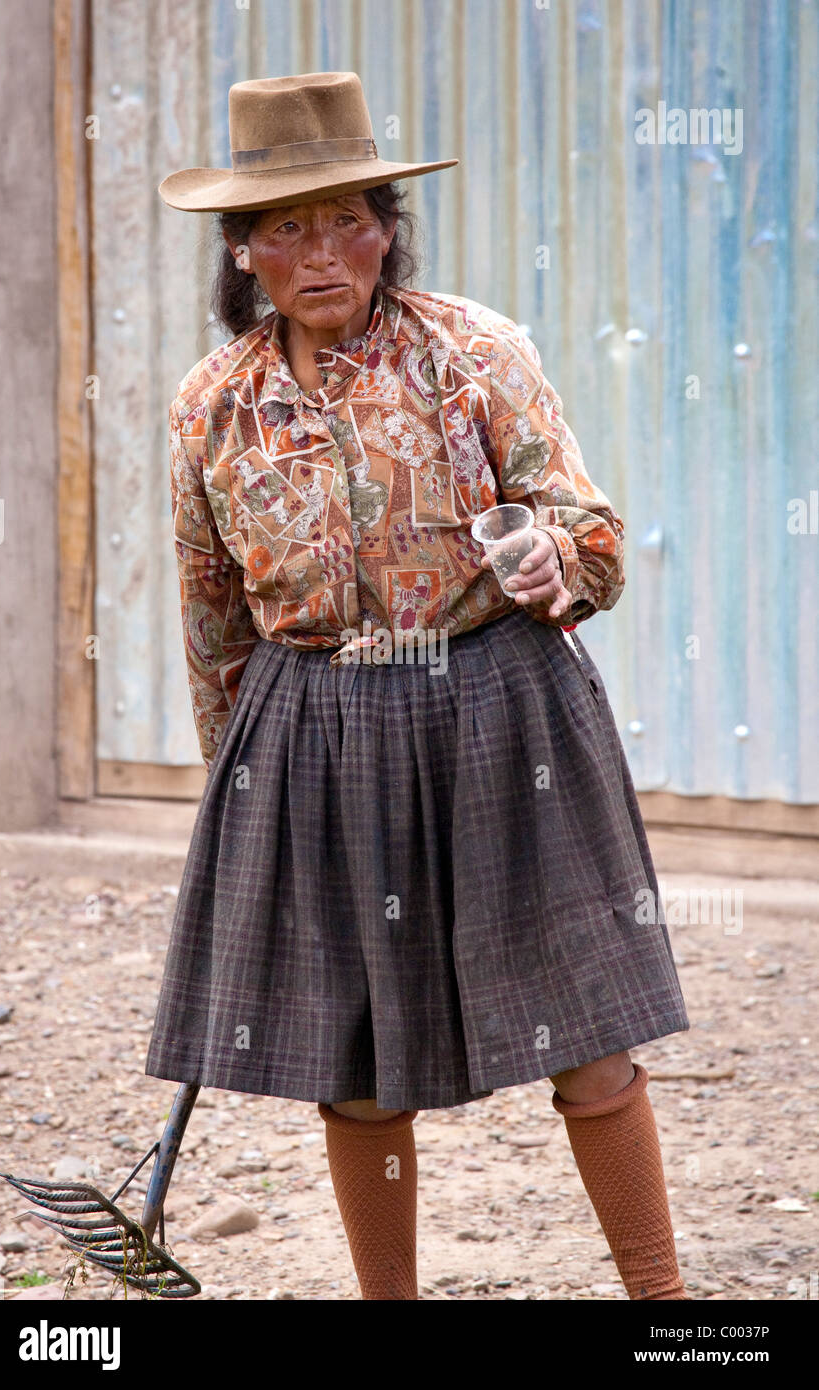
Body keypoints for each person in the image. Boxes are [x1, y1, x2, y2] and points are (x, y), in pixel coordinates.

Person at [145, 70, 691, 1301]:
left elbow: (591, 528)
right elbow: (209, 608)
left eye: (350, 217)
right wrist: (235, 776)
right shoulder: (210, 409)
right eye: (287, 226)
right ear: (243, 250)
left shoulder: (475, 351)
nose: (323, 251)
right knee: (353, 1056)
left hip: (502, 705)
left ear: (388, 226)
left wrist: (561, 557)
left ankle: (664, 1309)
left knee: (591, 1029)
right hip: (313, 728)